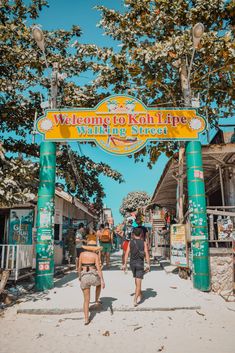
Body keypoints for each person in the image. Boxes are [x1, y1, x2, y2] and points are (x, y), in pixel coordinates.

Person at [78, 239, 105, 325]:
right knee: (99, 284)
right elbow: (99, 269)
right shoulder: (95, 255)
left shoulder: (82, 254)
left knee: (86, 300)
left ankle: (86, 319)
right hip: (93, 276)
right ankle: (97, 300)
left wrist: (79, 277)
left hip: (84, 276)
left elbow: (79, 267)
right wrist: (102, 280)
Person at [123, 227, 150, 307]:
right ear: (141, 234)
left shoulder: (130, 242)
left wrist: (125, 264)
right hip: (140, 264)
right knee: (138, 284)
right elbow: (147, 254)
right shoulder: (143, 242)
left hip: (132, 264)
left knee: (136, 280)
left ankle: (140, 293)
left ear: (133, 234)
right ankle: (135, 300)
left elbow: (126, 253)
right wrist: (148, 264)